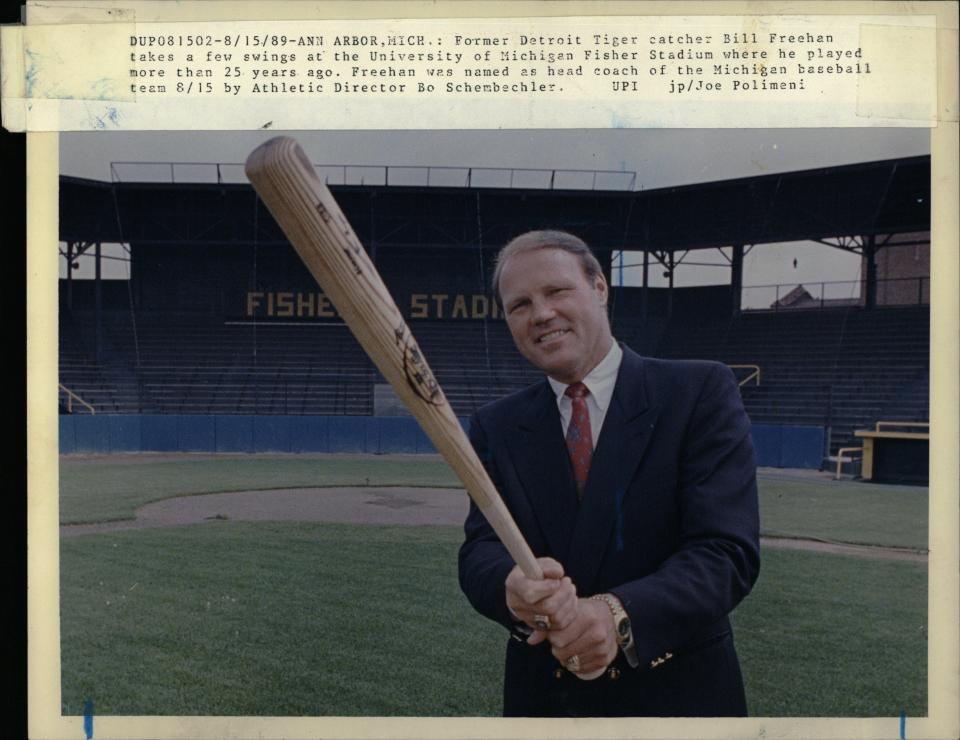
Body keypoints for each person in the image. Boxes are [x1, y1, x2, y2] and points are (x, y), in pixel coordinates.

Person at [458, 230, 760, 717]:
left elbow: (726, 552)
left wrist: (617, 615)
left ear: (600, 288)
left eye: (557, 292)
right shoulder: (496, 424)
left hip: (677, 699)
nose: (540, 314)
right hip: (546, 701)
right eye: (520, 305)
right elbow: (479, 549)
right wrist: (510, 588)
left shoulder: (697, 391)